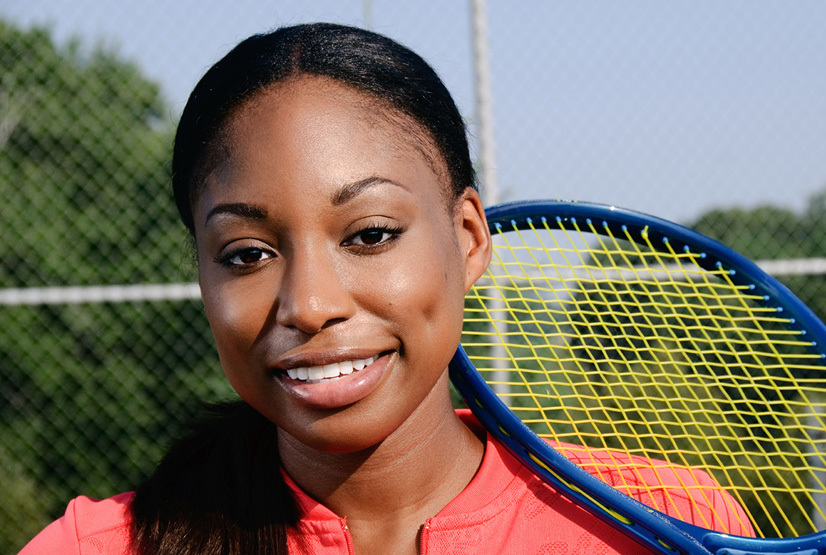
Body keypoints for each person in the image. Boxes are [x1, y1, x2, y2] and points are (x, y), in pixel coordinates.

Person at [22, 23, 751, 554]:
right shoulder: (97, 545)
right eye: (247, 253)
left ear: (467, 239)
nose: (308, 304)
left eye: (369, 235)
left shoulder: (669, 521)